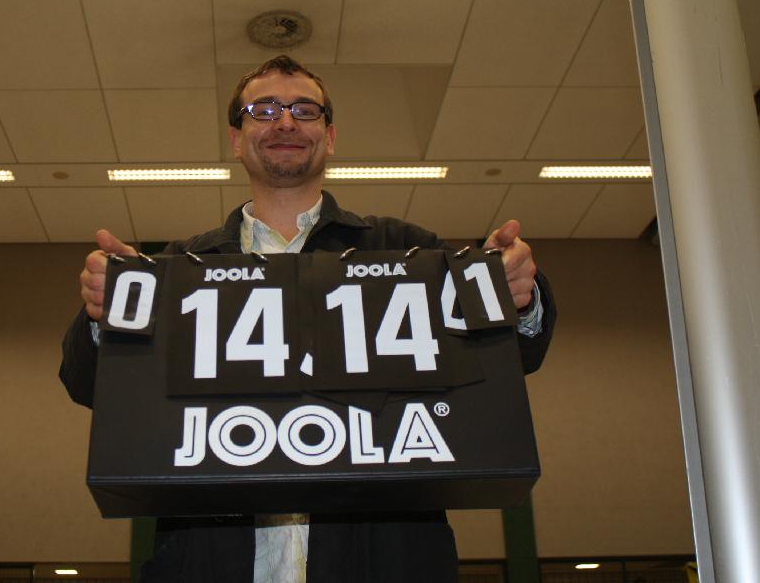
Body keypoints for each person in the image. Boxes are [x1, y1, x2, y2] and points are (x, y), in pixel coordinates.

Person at [61, 55, 557, 582]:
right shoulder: (180, 267)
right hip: (208, 560)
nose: (285, 122)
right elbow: (87, 383)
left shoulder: (407, 250)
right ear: (237, 139)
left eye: (304, 110)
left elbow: (512, 358)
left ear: (330, 136)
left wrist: (519, 297)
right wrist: (104, 315)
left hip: (384, 560)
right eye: (263, 110)